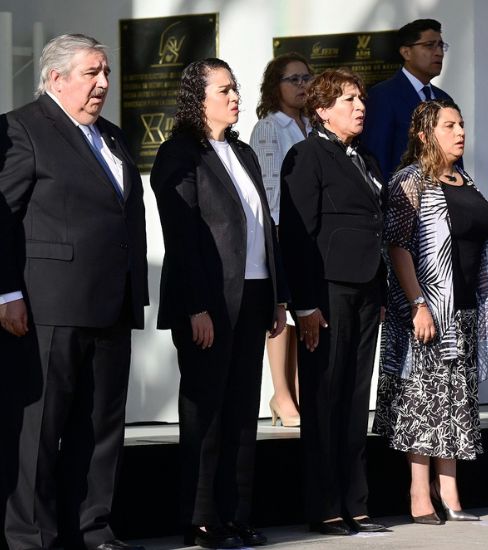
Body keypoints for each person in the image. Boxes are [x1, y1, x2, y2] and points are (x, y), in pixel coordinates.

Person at [0, 34, 148, 550]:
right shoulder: (22, 128)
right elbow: (3, 217)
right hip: (48, 305)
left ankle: (91, 530)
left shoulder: (111, 134)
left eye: (105, 72)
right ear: (56, 78)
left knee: (101, 427)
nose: (104, 83)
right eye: (92, 73)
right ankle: (30, 537)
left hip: (112, 302)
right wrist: (5, 293)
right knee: (38, 432)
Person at [151, 58, 288, 549]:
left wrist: (277, 297)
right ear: (198, 98)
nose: (235, 97)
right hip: (208, 301)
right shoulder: (179, 153)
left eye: (236, 88)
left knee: (240, 413)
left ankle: (234, 514)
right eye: (225, 89)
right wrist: (195, 306)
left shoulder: (244, 153)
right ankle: (200, 517)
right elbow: (182, 235)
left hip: (253, 296)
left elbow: (264, 229)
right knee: (206, 413)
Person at [374, 99, 488, 525]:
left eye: (462, 125)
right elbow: (397, 248)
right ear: (423, 134)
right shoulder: (409, 181)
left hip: (468, 311)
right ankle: (419, 493)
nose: (459, 132)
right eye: (449, 125)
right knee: (424, 402)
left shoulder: (465, 180)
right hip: (428, 312)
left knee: (457, 402)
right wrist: (418, 304)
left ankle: (450, 491)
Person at [279, 69, 387, 536]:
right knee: (323, 399)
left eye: (360, 98)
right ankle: (324, 506)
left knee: (354, 398)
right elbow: (298, 235)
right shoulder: (306, 155)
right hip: (326, 292)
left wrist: (381, 290)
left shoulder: (365, 156)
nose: (360, 106)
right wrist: (303, 304)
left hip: (366, 289)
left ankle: (355, 502)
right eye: (348, 99)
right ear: (322, 110)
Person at [250, 52, 314, 428]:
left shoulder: (311, 124)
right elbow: (269, 189)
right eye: (294, 79)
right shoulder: (269, 127)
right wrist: (277, 237)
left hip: (310, 232)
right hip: (281, 229)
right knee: (281, 312)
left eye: (307, 78)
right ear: (276, 86)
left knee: (300, 314)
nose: (303, 85)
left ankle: (293, 390)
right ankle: (281, 393)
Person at [361, 18, 453, 180]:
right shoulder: (383, 96)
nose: (439, 52)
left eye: (440, 45)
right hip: (403, 197)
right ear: (406, 52)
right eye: (429, 45)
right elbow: (376, 158)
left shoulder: (444, 98)